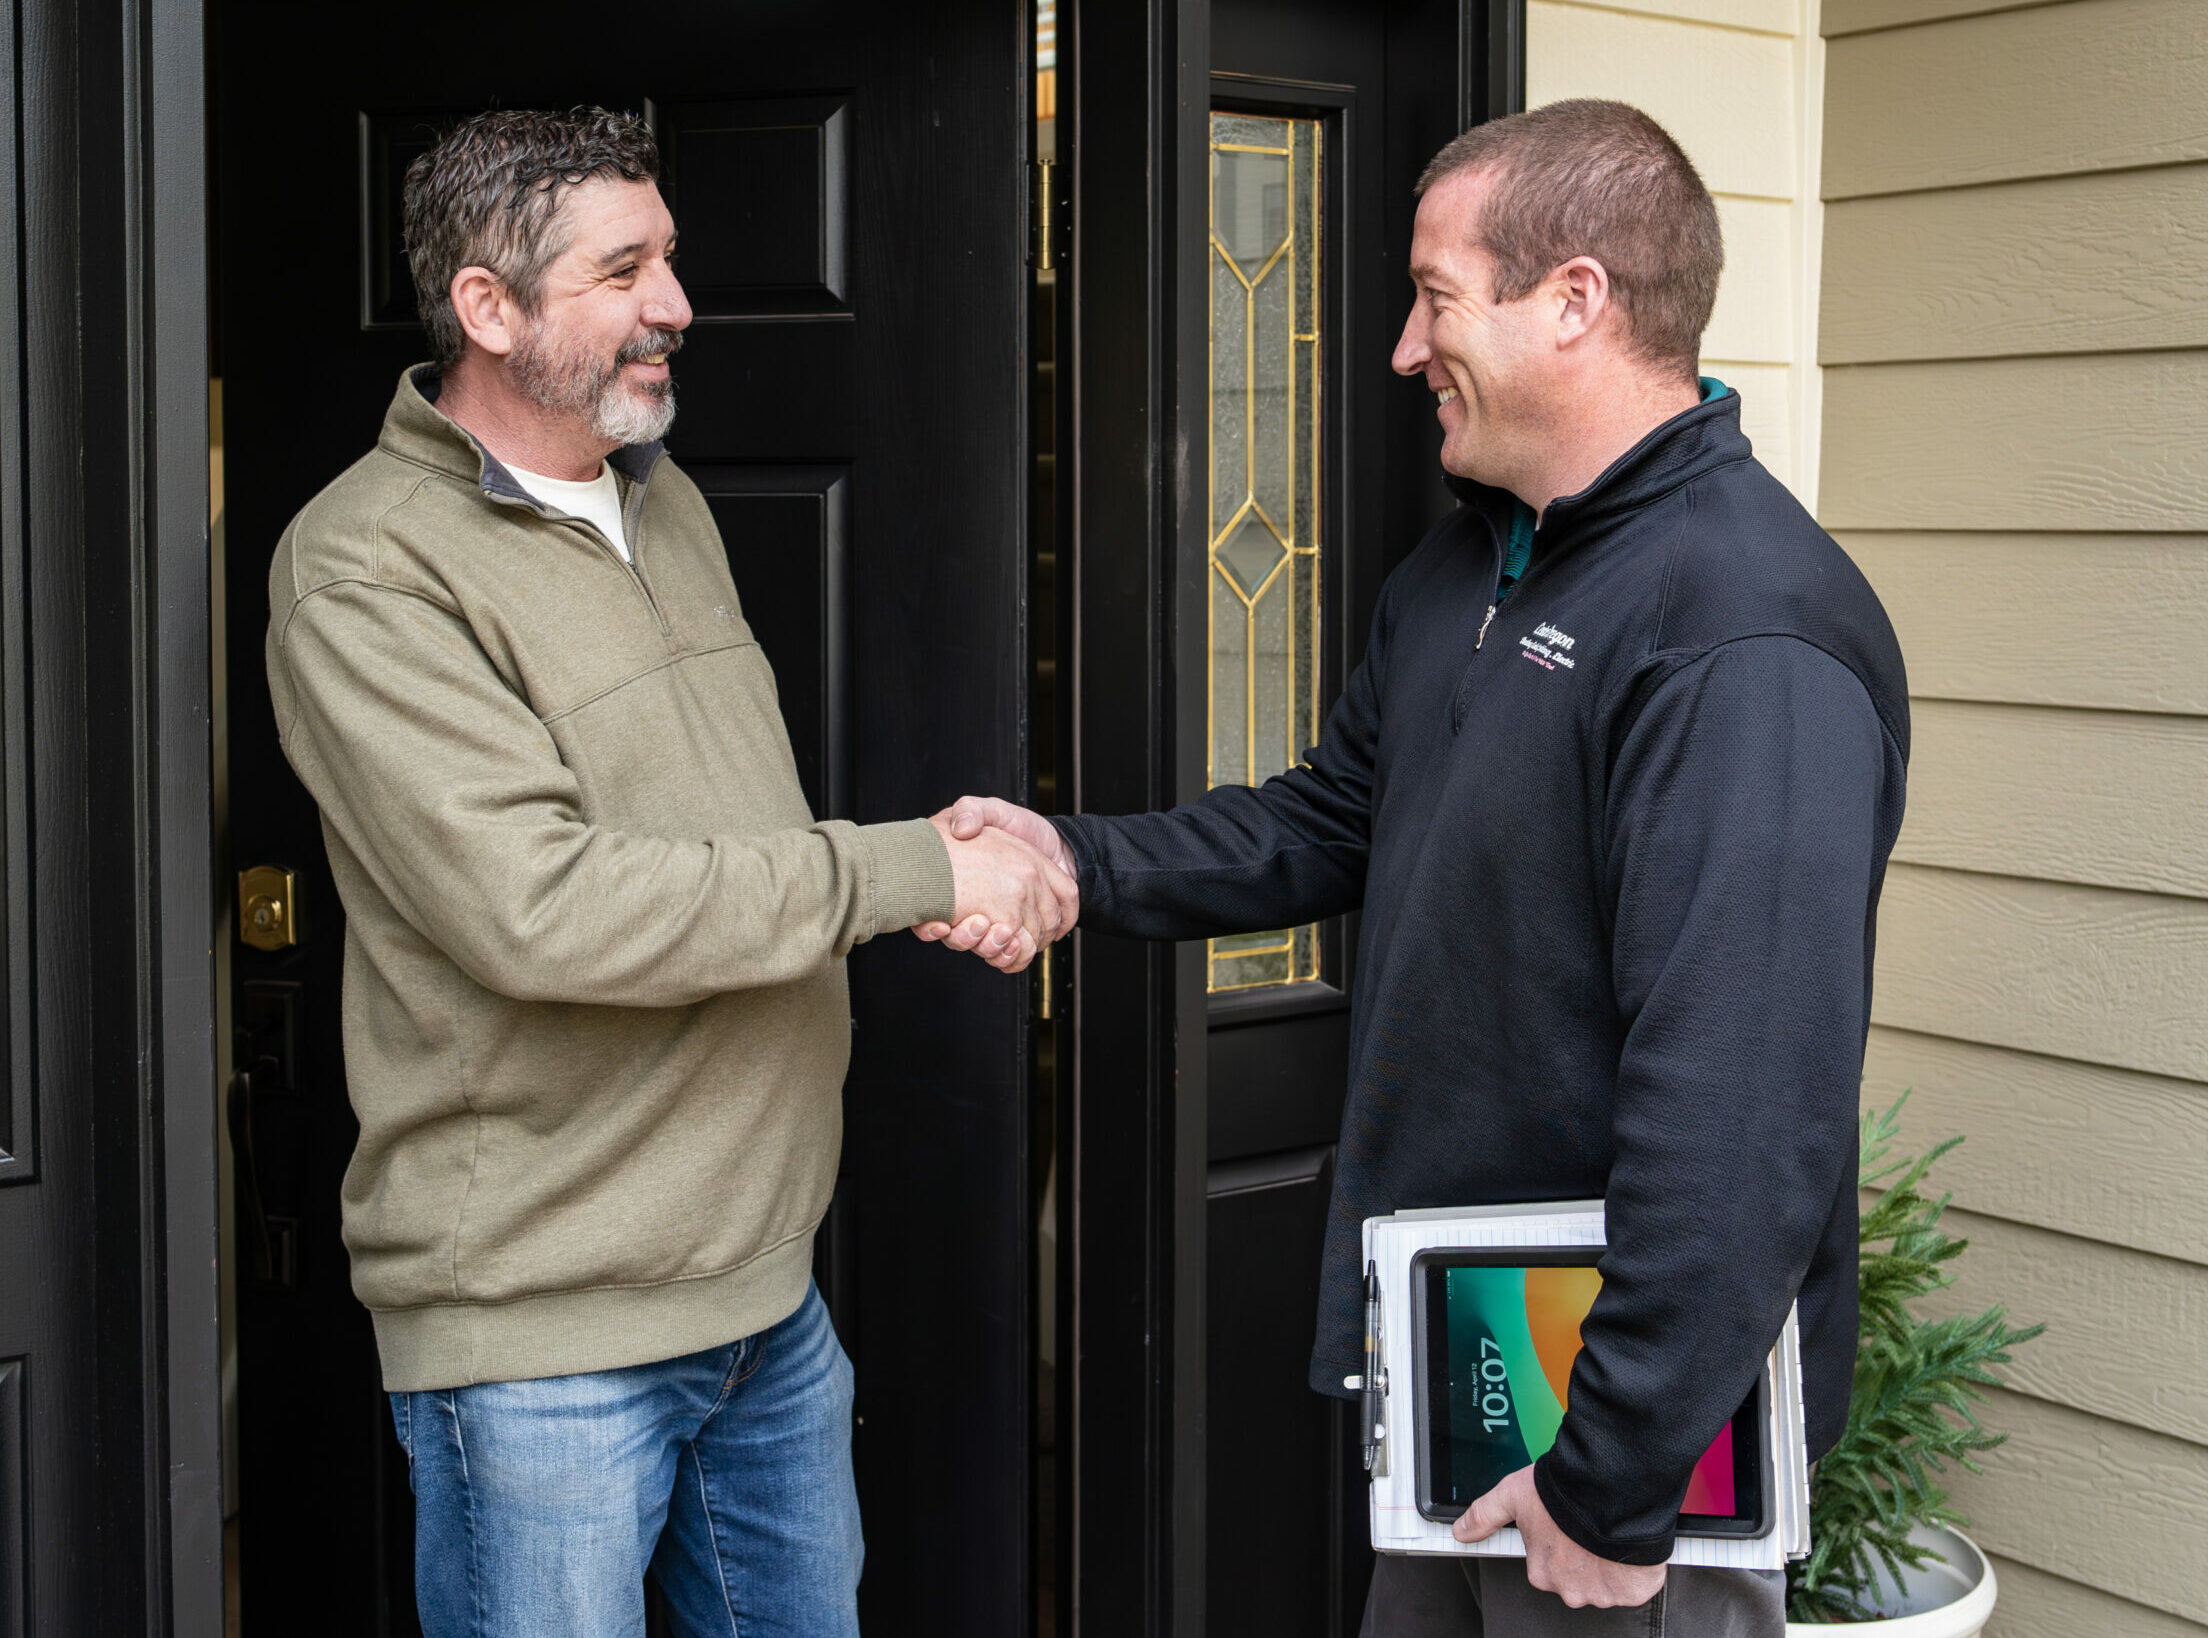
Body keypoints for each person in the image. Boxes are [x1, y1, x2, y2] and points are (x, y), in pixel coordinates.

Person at [926, 99, 1907, 1637]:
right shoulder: (1474, 560)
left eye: (1437, 295)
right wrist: (1071, 858)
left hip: (1611, 1453)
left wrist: (1616, 1469)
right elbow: (1332, 819)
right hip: (1474, 1380)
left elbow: (1744, 1100)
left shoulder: (1741, 637)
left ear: (1574, 300)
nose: (1399, 345)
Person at [263, 107, 1072, 1638]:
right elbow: (544, 908)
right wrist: (918, 869)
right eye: (624, 268)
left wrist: (938, 872)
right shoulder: (365, 567)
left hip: (767, 1305)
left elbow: (714, 836)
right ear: (487, 309)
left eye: (672, 259)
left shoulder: (664, 498)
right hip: (542, 1340)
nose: (677, 304)